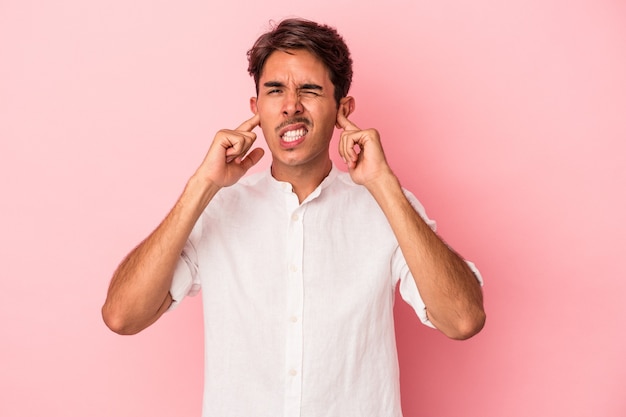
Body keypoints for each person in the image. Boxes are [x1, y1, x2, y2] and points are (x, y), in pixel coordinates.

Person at [102, 17, 485, 417]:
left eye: (310, 90)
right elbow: (122, 316)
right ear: (256, 108)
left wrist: (384, 185)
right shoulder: (217, 208)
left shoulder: (387, 207)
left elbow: (462, 320)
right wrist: (202, 185)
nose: (290, 106)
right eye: (275, 91)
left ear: (343, 109)